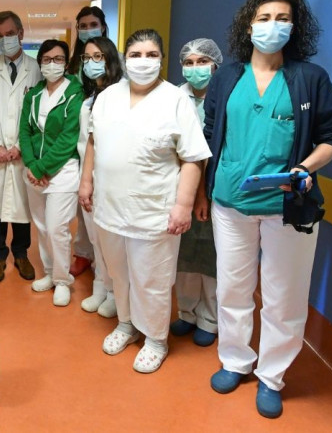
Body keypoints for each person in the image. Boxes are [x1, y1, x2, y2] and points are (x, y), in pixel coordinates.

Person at [203, 0, 332, 419]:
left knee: (284, 296)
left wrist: (305, 167)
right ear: (249, 25)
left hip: (288, 205)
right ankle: (235, 360)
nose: (272, 25)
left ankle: (272, 375)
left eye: (282, 17)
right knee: (232, 288)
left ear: (294, 27)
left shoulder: (308, 78)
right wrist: (202, 194)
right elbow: (211, 134)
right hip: (229, 203)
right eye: (264, 17)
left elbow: (331, 139)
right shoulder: (228, 76)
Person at [79, 29, 211, 374]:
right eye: (135, 54)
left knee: (151, 280)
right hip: (109, 208)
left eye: (151, 54)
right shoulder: (108, 96)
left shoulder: (175, 100)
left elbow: (194, 158)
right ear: (124, 58)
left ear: (162, 59)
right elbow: (93, 142)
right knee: (117, 275)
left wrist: (183, 205)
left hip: (154, 212)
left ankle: (155, 338)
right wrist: (86, 181)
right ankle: (126, 324)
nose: (143, 61)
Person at [0, 11, 42, 283]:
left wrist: (20, 148)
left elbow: (38, 115)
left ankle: (22, 255)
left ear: (21, 34)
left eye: (9, 34)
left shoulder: (36, 70)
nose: (4, 40)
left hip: (23, 153)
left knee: (22, 209)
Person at [19, 40, 83, 306]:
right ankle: (48, 272)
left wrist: (43, 167)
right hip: (34, 170)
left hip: (64, 170)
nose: (52, 64)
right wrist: (33, 165)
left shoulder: (75, 93)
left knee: (58, 227)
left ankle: (62, 279)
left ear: (66, 63)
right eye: (46, 59)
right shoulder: (33, 94)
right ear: (40, 63)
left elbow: (69, 138)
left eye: (58, 59)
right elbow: (25, 131)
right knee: (43, 226)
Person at [170, 38, 224, 346]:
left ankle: (210, 318)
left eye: (202, 62)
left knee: (212, 255)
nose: (195, 69)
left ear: (215, 64)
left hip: (216, 185)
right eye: (188, 63)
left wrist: (204, 191)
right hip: (180, 187)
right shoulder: (175, 97)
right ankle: (187, 313)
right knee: (184, 254)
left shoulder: (226, 96)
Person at [75, 37, 124, 318]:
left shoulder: (121, 94)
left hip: (110, 179)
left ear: (109, 58)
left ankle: (116, 294)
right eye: (86, 58)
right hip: (88, 176)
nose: (91, 63)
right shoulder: (91, 94)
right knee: (96, 240)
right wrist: (86, 180)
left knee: (112, 243)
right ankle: (101, 288)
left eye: (97, 57)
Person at [66, 6, 110, 277]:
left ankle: (106, 270)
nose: (87, 29)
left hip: (103, 153)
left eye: (92, 24)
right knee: (83, 210)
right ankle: (83, 255)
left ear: (103, 26)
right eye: (82, 25)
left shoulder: (113, 64)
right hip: (78, 147)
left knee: (101, 212)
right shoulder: (73, 66)